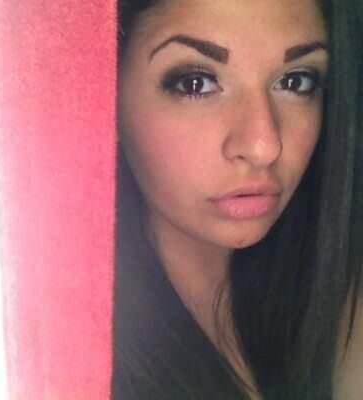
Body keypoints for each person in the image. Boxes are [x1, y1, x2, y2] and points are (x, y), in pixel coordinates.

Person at [112, 1, 363, 399]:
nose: (264, 146)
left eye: (296, 82)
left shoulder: (334, 290)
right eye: (196, 83)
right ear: (108, 90)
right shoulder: (50, 350)